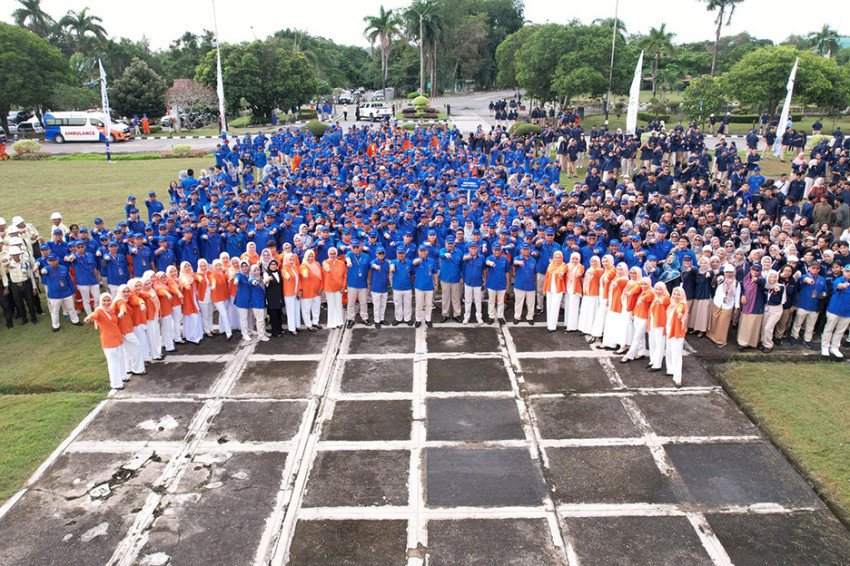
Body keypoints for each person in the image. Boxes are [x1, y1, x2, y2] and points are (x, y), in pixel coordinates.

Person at [84, 294, 127, 389]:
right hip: (108, 341)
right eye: (104, 301)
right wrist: (88, 318)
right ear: (100, 301)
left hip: (118, 338)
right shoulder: (99, 311)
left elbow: (122, 306)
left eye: (108, 300)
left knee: (121, 358)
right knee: (113, 362)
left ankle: (123, 376)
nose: (106, 303)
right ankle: (116, 383)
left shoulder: (112, 310)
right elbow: (94, 315)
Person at [39, 253, 81, 331]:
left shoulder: (64, 268)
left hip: (66, 292)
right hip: (54, 295)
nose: (52, 262)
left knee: (71, 308)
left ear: (57, 260)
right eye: (50, 261)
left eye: (54, 260)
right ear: (48, 262)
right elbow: (43, 270)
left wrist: (73, 291)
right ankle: (55, 326)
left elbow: (69, 281)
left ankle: (75, 320)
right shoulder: (47, 269)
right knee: (55, 311)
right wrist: (43, 271)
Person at [113, 284, 145, 376]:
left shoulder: (123, 301)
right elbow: (122, 307)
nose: (126, 293)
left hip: (125, 330)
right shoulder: (120, 301)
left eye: (128, 291)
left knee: (127, 350)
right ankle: (138, 369)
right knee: (137, 347)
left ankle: (129, 368)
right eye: (124, 291)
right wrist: (122, 312)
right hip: (126, 331)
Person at [3, 246, 39, 325]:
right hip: (15, 286)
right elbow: (4, 272)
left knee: (30, 302)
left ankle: (33, 318)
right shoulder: (9, 265)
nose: (15, 256)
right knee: (19, 303)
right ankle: (24, 319)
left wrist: (34, 287)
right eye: (13, 255)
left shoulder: (25, 263)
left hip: (25, 284)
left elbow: (31, 276)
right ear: (11, 256)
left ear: (20, 254)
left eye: (17, 254)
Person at [706, 264, 740, 348]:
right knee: (715, 320)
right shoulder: (721, 279)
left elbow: (737, 296)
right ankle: (712, 336)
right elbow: (716, 277)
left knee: (723, 323)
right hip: (717, 303)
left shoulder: (736, 284)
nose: (729, 274)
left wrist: (737, 307)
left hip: (728, 305)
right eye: (727, 272)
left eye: (731, 272)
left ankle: (721, 340)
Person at [820, 265, 850, 358]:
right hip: (834, 310)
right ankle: (825, 346)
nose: (849, 273)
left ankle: (835, 347)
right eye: (847, 271)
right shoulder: (839, 280)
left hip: (847, 312)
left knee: (840, 331)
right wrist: (844, 285)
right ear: (843, 271)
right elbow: (839, 286)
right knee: (829, 328)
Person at [621, 277, 653, 363]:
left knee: (636, 337)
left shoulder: (650, 293)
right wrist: (633, 313)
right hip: (637, 316)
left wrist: (641, 300)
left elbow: (646, 298)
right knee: (640, 336)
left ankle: (629, 355)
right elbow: (636, 303)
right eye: (642, 284)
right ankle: (641, 352)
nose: (643, 286)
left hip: (644, 318)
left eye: (645, 284)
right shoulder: (642, 292)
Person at [737, 264, 766, 350]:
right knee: (745, 324)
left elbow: (761, 282)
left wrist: (756, 279)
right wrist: (743, 295)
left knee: (754, 324)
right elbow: (743, 289)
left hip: (756, 305)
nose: (755, 272)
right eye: (753, 270)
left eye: (757, 270)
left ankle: (752, 343)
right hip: (746, 304)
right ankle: (742, 342)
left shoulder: (761, 279)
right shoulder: (746, 279)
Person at [664, 287, 688, 387]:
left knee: (676, 355)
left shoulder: (681, 305)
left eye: (678, 295)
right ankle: (670, 370)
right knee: (669, 351)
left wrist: (679, 314)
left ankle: (678, 378)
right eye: (674, 294)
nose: (675, 296)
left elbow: (680, 310)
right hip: (669, 329)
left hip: (677, 332)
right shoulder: (671, 304)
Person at [345, 240, 370, 328]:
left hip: (363, 283)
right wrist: (349, 262)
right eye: (354, 247)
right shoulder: (350, 255)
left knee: (363, 302)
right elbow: (347, 258)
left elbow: (369, 270)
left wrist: (369, 282)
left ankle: (364, 318)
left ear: (360, 247)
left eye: (357, 247)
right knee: (351, 302)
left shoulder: (366, 256)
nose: (355, 249)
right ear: (351, 247)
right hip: (352, 284)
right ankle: (350, 319)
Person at [438, 236, 463, 323]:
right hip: (445, 278)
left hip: (456, 278)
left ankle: (457, 314)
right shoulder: (443, 250)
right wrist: (445, 255)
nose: (450, 245)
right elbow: (440, 255)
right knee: (446, 297)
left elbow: (462, 266)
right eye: (448, 243)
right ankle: (445, 314)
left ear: (454, 243)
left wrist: (462, 277)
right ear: (445, 243)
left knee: (456, 297)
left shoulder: (459, 252)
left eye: (452, 243)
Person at [485, 243, 510, 325]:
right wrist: (490, 263)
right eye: (495, 250)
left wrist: (507, 283)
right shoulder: (490, 258)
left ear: (501, 250)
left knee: (501, 302)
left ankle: (500, 316)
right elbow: (487, 262)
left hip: (502, 284)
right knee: (491, 302)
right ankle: (491, 316)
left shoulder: (505, 259)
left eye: (498, 250)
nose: (497, 251)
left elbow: (507, 272)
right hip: (491, 284)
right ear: (492, 250)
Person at [761, 270, 785, 353]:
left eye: (775, 277)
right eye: (771, 277)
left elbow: (780, 291)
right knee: (764, 326)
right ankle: (763, 342)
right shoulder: (766, 286)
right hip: (766, 307)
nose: (773, 279)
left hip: (776, 309)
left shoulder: (780, 286)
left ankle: (768, 345)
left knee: (768, 328)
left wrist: (777, 290)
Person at [647, 282, 670, 372]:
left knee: (659, 343)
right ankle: (653, 360)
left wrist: (662, 300)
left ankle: (657, 364)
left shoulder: (666, 297)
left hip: (660, 323)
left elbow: (665, 300)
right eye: (656, 289)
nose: (657, 291)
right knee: (652, 342)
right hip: (653, 322)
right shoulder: (655, 297)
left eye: (660, 289)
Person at [178, 262, 203, 344]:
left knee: (197, 316)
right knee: (192, 316)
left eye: (189, 265)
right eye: (185, 266)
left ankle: (198, 334)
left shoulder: (192, 275)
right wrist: (187, 285)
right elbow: (184, 282)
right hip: (188, 300)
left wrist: (199, 278)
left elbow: (196, 276)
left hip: (194, 298)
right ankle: (191, 336)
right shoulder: (182, 277)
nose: (188, 267)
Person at [578, 256, 603, 335]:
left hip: (594, 294)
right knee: (585, 311)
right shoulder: (589, 269)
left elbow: (597, 273)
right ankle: (584, 328)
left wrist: (594, 272)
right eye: (592, 261)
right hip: (587, 293)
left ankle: (590, 329)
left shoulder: (600, 270)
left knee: (592, 312)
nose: (593, 263)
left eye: (595, 261)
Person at [322, 247, 347, 329]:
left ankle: (339, 322)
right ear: (328, 254)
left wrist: (343, 286)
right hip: (329, 288)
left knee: (338, 305)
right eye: (331, 254)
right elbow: (325, 265)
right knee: (331, 305)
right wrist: (327, 268)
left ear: (337, 254)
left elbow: (344, 275)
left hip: (339, 288)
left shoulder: (341, 263)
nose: (332, 255)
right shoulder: (326, 262)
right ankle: (331, 323)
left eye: (334, 253)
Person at [461, 241, 485, 324]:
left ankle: (479, 316)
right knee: (468, 300)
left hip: (478, 282)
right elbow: (463, 260)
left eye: (475, 248)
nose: (473, 250)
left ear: (478, 249)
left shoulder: (481, 257)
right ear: (469, 249)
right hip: (468, 282)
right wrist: (467, 257)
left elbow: (484, 269)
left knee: (478, 301)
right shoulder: (466, 256)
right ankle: (466, 317)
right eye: (471, 248)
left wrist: (484, 280)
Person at [299, 249, 323, 331]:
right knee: (306, 309)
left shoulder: (317, 264)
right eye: (309, 256)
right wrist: (305, 274)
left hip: (316, 291)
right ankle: (308, 325)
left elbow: (321, 277)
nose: (310, 258)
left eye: (312, 256)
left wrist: (321, 287)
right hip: (307, 292)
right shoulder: (303, 265)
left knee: (316, 307)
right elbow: (303, 271)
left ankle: (315, 322)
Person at [512, 243, 536, 325]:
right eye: (524, 249)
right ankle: (517, 316)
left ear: (529, 250)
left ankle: (530, 317)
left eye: (527, 249)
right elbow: (514, 262)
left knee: (531, 302)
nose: (525, 251)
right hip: (520, 285)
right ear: (521, 250)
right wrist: (518, 262)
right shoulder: (517, 258)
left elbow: (535, 273)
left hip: (531, 285)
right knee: (519, 302)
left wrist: (534, 282)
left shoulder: (533, 260)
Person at [413, 244, 436, 328]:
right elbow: (413, 263)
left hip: (429, 286)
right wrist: (418, 260)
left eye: (424, 251)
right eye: (421, 251)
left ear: (427, 251)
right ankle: (418, 319)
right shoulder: (417, 260)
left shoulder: (432, 261)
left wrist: (436, 283)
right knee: (419, 304)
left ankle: (428, 319)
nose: (423, 252)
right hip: (419, 286)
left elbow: (435, 273)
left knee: (429, 304)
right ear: (418, 252)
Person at [544, 250, 567, 332]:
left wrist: (561, 273)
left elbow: (563, 271)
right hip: (550, 288)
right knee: (549, 306)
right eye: (556, 257)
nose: (557, 259)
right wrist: (544, 289)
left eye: (559, 257)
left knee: (555, 307)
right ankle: (549, 323)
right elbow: (546, 277)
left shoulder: (563, 265)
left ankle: (552, 326)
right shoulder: (550, 265)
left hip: (558, 289)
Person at [563, 252, 584, 332]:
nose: (574, 260)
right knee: (567, 306)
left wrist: (578, 273)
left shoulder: (580, 266)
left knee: (573, 307)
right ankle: (567, 323)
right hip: (568, 288)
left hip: (575, 290)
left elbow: (580, 271)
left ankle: (572, 326)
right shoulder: (568, 266)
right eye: (573, 258)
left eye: (576, 259)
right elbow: (563, 269)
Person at [248, 263, 269, 341]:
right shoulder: (251, 279)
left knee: (263, 318)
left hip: (262, 301)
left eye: (258, 270)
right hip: (256, 302)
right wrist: (254, 282)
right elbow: (251, 281)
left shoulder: (261, 278)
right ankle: (261, 335)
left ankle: (263, 331)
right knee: (259, 320)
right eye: (254, 270)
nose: (257, 272)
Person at [263, 258, 284, 337]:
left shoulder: (279, 272)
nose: (273, 266)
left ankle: (280, 329)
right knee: (273, 315)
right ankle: (275, 331)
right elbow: (265, 281)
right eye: (272, 264)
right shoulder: (266, 273)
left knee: (279, 313)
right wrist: (268, 279)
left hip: (278, 297)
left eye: (275, 264)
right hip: (271, 297)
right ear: (269, 265)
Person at [370, 247, 389, 328]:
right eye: (379, 253)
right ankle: (376, 320)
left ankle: (382, 318)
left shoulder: (386, 263)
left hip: (384, 287)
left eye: (382, 253)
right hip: (376, 287)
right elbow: (372, 265)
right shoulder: (373, 262)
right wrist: (376, 267)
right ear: (376, 254)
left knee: (383, 304)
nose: (381, 255)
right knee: (377, 305)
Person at [282, 253, 301, 336]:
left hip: (296, 292)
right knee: (291, 311)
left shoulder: (295, 268)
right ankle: (292, 328)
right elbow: (286, 275)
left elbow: (299, 279)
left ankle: (297, 326)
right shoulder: (284, 269)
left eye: (293, 259)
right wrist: (288, 276)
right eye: (290, 259)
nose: (292, 261)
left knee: (297, 310)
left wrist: (300, 290)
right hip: (289, 293)